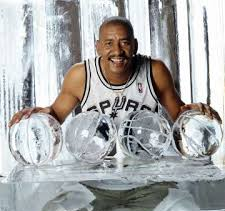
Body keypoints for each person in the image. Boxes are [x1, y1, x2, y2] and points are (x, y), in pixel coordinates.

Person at [9, 16, 221, 129]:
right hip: (97, 169)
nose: (117, 51)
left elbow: (179, 117)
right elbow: (55, 116)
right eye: (109, 43)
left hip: (144, 167)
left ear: (135, 46)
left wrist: (195, 112)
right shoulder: (80, 75)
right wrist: (40, 115)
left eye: (124, 43)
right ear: (98, 47)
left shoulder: (154, 70)